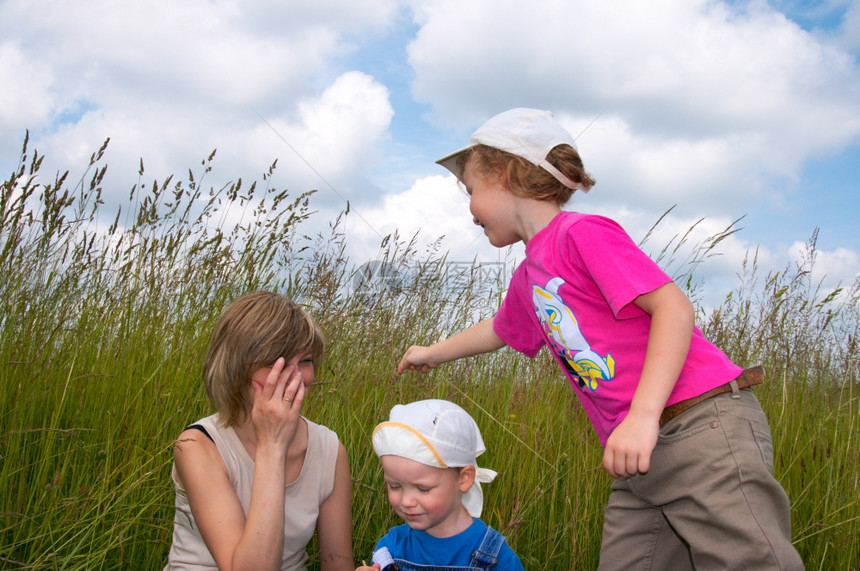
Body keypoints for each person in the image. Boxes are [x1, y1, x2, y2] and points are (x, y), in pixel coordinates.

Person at [397, 108, 804, 570]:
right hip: (637, 455)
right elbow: (498, 330)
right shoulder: (531, 272)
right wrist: (431, 353)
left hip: (697, 426)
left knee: (750, 560)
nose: (469, 210)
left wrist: (643, 416)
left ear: (503, 174)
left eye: (470, 192)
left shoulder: (581, 234)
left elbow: (673, 307)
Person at [164, 291, 354, 571]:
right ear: (236, 368)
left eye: (306, 361)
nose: (297, 378)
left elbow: (337, 565)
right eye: (275, 363)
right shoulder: (197, 446)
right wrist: (273, 446)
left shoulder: (328, 449)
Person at [355, 399, 524, 571]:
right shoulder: (391, 548)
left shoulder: (496, 557)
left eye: (423, 489)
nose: (406, 501)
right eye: (394, 486)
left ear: (464, 479)